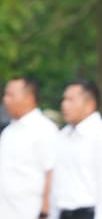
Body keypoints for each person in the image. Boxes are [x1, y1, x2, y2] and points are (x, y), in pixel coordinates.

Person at [49, 81, 102, 219]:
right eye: (64, 99)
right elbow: (57, 183)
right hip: (63, 213)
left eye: (71, 100)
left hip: (89, 213)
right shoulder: (63, 136)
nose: (64, 105)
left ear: (90, 104)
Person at [0, 77, 58, 219]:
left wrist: (44, 212)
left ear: (29, 98)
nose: (5, 100)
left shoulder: (45, 129)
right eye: (5, 95)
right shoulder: (8, 131)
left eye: (11, 95)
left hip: (29, 212)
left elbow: (52, 172)